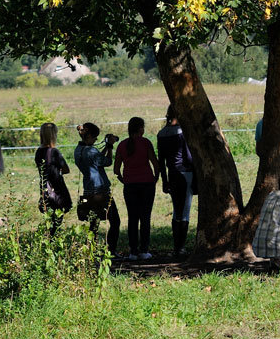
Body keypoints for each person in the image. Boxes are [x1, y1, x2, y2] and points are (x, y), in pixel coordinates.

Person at [114, 117, 159, 261]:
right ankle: (144, 251)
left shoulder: (122, 145)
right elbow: (155, 163)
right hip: (146, 183)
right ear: (141, 129)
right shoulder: (146, 143)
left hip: (130, 185)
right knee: (145, 217)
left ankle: (133, 251)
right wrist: (156, 177)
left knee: (132, 218)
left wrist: (124, 180)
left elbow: (116, 169)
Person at [74, 122, 121, 257]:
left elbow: (96, 160)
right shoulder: (92, 151)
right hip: (101, 191)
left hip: (88, 190)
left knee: (93, 223)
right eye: (95, 137)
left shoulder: (78, 150)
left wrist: (105, 147)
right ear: (89, 136)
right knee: (115, 221)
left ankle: (91, 251)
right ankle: (111, 251)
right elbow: (106, 162)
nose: (96, 140)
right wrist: (110, 147)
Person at [157, 105, 195, 257]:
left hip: (171, 174)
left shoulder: (161, 134)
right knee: (185, 210)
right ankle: (181, 247)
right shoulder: (182, 133)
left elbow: (161, 160)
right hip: (185, 173)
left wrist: (164, 180)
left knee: (176, 211)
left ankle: (175, 247)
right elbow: (188, 157)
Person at [35, 123, 72, 235]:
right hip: (57, 187)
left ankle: (50, 241)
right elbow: (66, 169)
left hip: (45, 187)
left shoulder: (38, 151)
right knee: (57, 219)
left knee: (50, 218)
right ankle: (53, 241)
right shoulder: (54, 152)